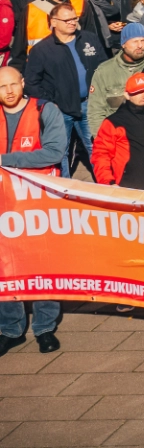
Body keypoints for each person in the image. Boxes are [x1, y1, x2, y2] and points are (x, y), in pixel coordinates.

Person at [0, 65, 65, 355]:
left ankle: (45, 328)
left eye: (13, 84)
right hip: (4, 202)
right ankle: (11, 329)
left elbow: (54, 152)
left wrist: (5, 159)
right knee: (5, 264)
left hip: (39, 200)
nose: (9, 91)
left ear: (23, 83)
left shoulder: (44, 110)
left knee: (43, 263)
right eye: (2, 87)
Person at [23, 2, 105, 171]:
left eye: (74, 19)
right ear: (53, 22)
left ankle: (103, 187)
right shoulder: (41, 50)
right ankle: (63, 192)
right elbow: (31, 83)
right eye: (67, 20)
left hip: (89, 105)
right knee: (61, 152)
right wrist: (52, 102)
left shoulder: (89, 39)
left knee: (96, 148)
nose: (72, 22)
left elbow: (104, 67)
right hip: (60, 110)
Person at [86, 21, 144, 135]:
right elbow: (95, 111)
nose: (140, 45)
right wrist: (102, 140)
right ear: (123, 44)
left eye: (143, 41)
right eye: (135, 41)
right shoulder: (104, 71)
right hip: (120, 136)